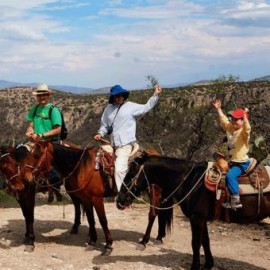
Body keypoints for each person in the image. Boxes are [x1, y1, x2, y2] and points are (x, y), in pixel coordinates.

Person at [94, 84, 162, 192]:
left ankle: (123, 196)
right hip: (112, 145)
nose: (120, 97)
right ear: (113, 97)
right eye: (117, 96)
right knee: (96, 160)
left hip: (125, 146)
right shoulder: (108, 109)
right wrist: (100, 134)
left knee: (119, 170)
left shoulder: (130, 106)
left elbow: (146, 107)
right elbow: (104, 125)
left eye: (122, 95)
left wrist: (155, 95)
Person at [25, 83, 63, 202]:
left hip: (50, 141)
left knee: (47, 163)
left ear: (48, 96)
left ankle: (55, 185)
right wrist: (30, 131)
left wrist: (41, 135)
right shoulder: (35, 108)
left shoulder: (53, 110)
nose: (42, 98)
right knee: (20, 154)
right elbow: (30, 124)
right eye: (39, 95)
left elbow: (58, 129)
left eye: (44, 95)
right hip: (36, 141)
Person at [212, 99, 251, 209]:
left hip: (241, 163)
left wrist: (245, 117)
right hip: (234, 161)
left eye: (236, 120)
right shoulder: (233, 128)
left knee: (230, 176)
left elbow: (248, 129)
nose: (233, 121)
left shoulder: (244, 132)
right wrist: (218, 109)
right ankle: (226, 199)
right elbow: (224, 121)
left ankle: (236, 199)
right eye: (233, 119)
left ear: (243, 121)